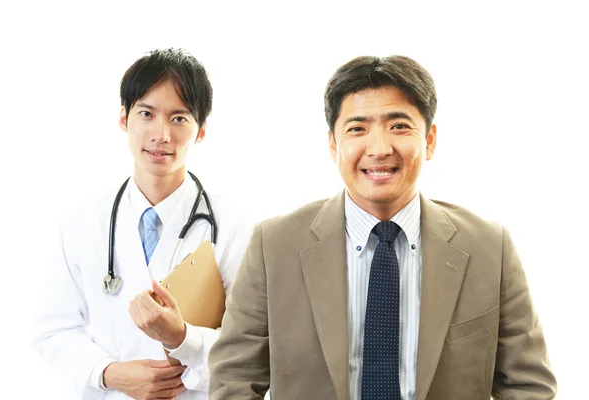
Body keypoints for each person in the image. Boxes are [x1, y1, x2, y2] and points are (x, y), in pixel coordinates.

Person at [208, 55, 558, 399]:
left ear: (430, 140)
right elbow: (233, 381)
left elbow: (529, 387)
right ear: (333, 144)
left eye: (399, 126)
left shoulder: (489, 247)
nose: (378, 148)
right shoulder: (274, 245)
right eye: (357, 128)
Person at [32, 48, 252, 400]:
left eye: (179, 118)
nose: (161, 134)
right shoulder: (81, 222)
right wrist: (109, 373)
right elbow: (53, 331)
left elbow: (249, 347)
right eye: (147, 114)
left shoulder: (235, 226)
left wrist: (182, 338)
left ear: (202, 131)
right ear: (124, 118)